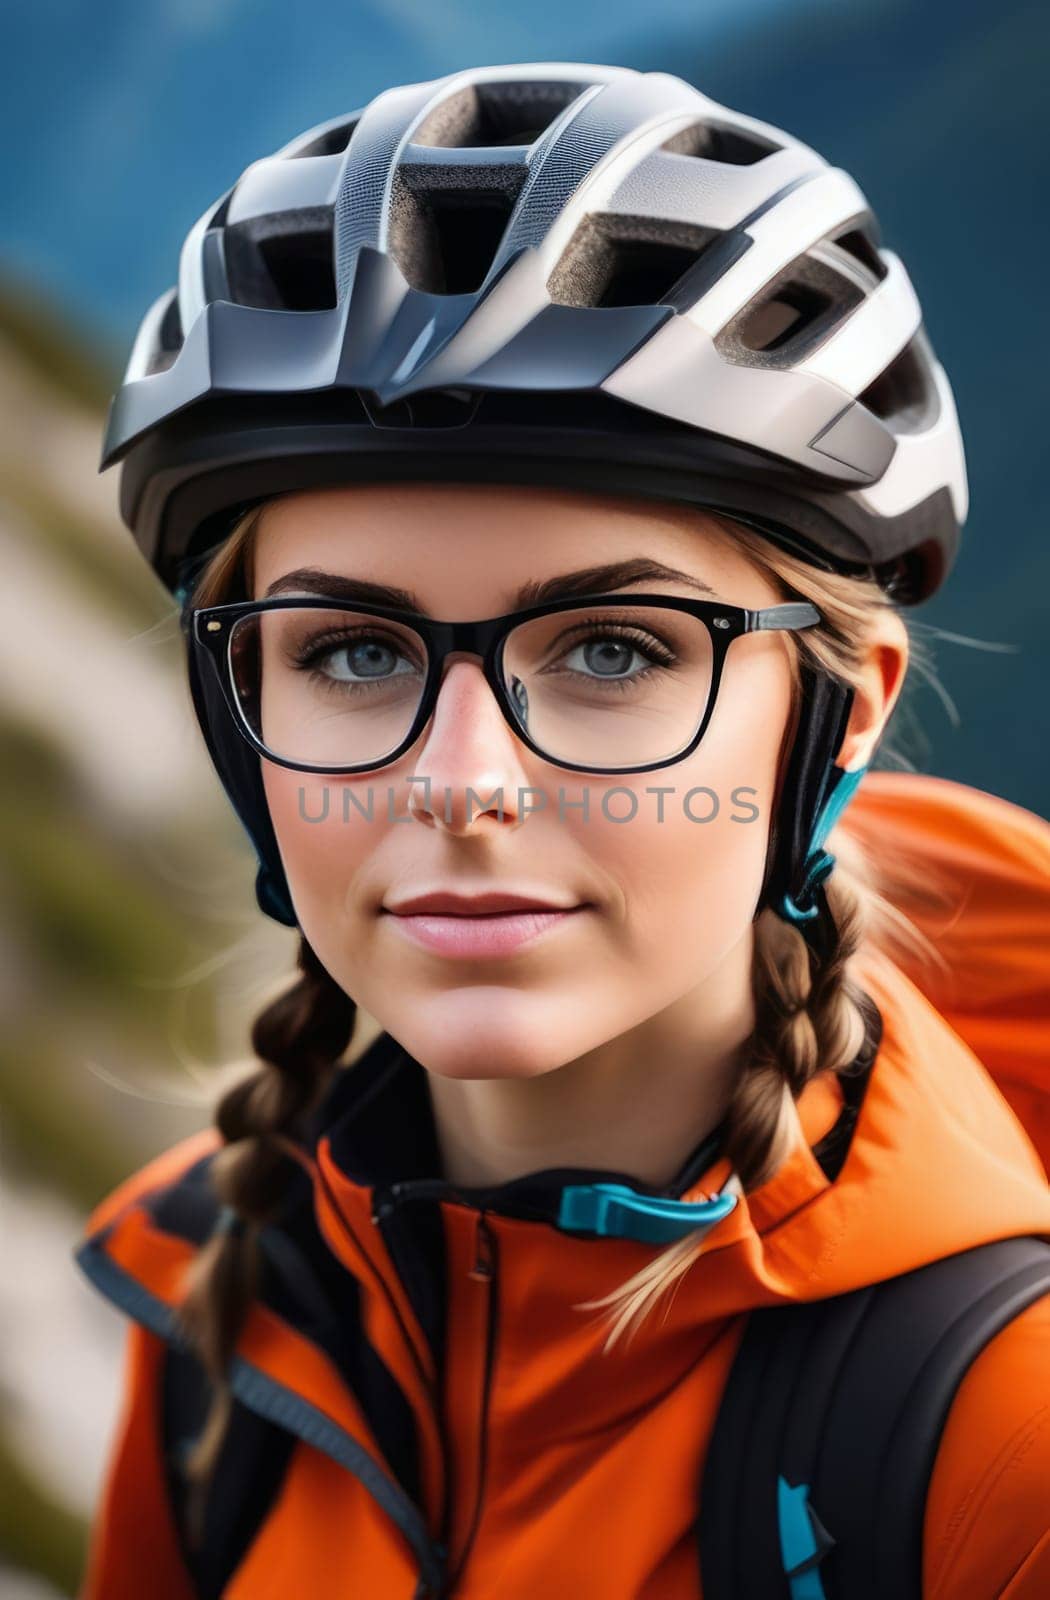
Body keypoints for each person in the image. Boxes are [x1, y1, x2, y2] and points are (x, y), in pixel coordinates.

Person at [74, 62, 1050, 1600]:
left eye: (611, 650)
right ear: (233, 695)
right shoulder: (227, 1297)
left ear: (839, 714)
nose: (463, 783)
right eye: (351, 653)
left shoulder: (1005, 1450)